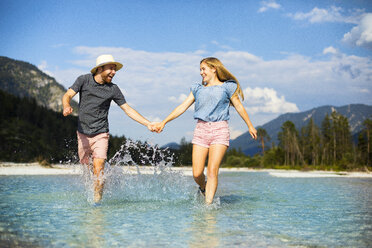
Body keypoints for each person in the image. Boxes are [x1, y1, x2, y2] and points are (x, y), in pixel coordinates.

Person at [154, 57, 257, 204]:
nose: (201, 72)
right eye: (200, 69)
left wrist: (250, 125)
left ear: (214, 68)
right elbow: (182, 107)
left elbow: (239, 106)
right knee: (197, 173)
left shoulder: (227, 87)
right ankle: (203, 187)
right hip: (201, 130)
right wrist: (164, 121)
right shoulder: (197, 89)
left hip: (220, 129)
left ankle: (208, 208)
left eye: (203, 69)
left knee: (212, 171)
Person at [62, 54, 156, 203]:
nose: (114, 72)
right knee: (87, 171)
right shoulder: (83, 80)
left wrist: (148, 123)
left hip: (101, 133)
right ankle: (99, 187)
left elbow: (127, 109)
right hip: (82, 134)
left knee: (98, 169)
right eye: (111, 68)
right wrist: (66, 105)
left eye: (115, 69)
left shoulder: (113, 89)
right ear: (100, 69)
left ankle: (97, 202)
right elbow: (67, 95)